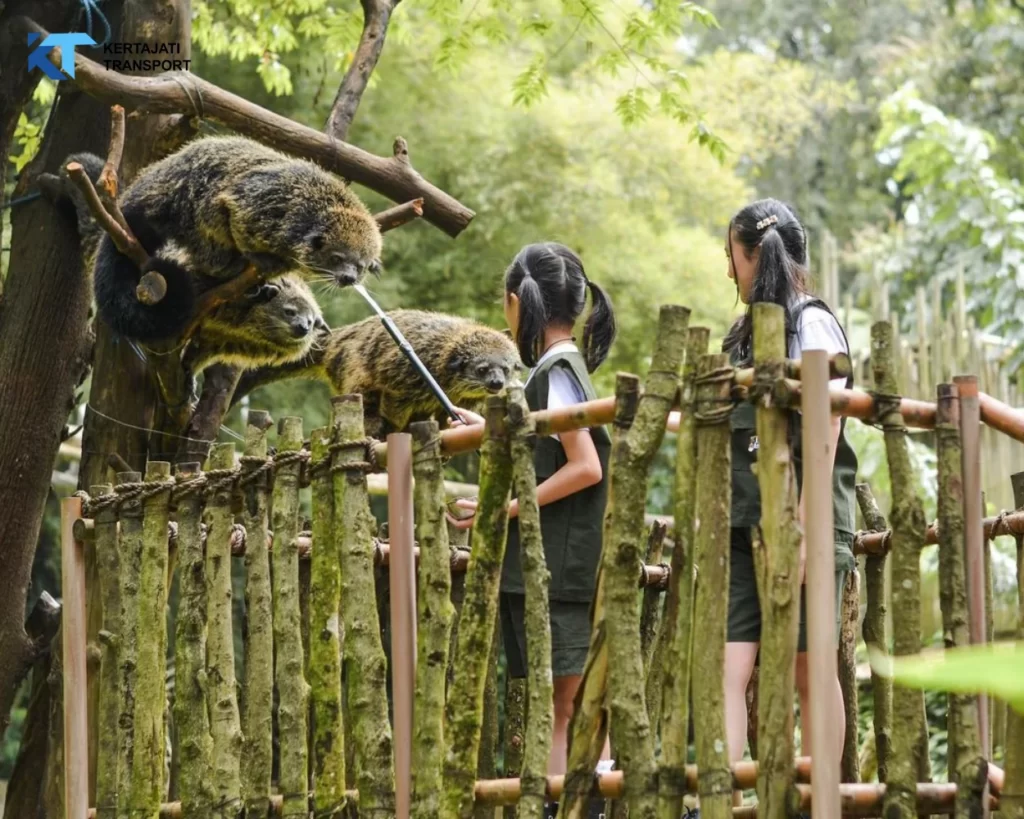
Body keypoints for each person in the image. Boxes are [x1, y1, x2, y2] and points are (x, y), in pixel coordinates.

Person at [447, 242, 617, 819]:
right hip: (556, 568)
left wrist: (504, 508)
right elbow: (550, 442)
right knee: (564, 705)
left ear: (519, 303)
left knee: (568, 708)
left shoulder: (558, 369)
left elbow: (584, 464)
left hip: (563, 570)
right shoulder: (557, 370)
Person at [718, 199, 857, 772]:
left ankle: (819, 800)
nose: (728, 271)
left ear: (753, 257)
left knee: (809, 670)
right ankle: (721, 800)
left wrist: (800, 527)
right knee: (727, 668)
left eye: (731, 256)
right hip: (746, 523)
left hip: (806, 519)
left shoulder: (811, 321)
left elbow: (824, 432)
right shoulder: (743, 337)